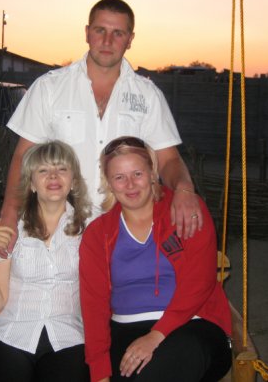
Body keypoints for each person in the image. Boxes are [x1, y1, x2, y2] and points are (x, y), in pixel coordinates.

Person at [0, 0, 201, 254]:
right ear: (87, 33)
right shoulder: (49, 88)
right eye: (100, 30)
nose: (107, 41)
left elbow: (168, 159)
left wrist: (185, 189)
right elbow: (23, 157)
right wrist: (9, 214)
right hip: (55, 229)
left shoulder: (148, 96)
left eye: (118, 33)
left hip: (124, 233)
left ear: (130, 39)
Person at [79, 136, 232, 382]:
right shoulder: (98, 234)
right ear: (109, 183)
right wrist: (99, 373)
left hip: (191, 324)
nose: (130, 184)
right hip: (124, 328)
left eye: (137, 173)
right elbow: (93, 305)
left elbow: (199, 282)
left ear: (152, 173)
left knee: (170, 362)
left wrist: (156, 335)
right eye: (119, 177)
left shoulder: (185, 211)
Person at [0, 140, 91, 382]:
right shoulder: (11, 229)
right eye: (43, 170)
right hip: (11, 335)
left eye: (61, 168)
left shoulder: (89, 229)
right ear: (31, 184)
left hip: (67, 338)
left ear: (73, 181)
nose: (53, 176)